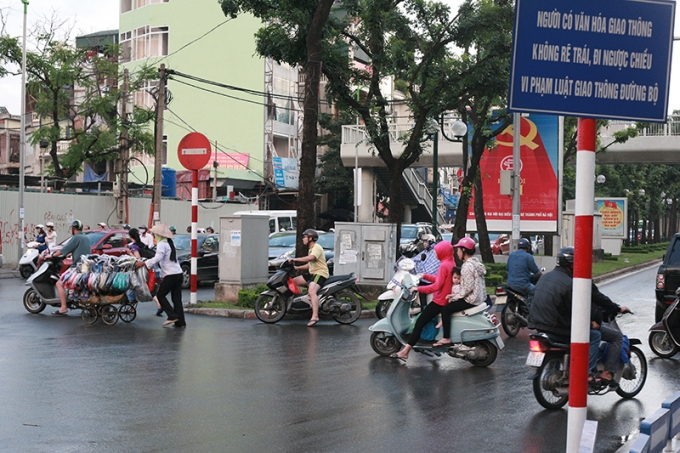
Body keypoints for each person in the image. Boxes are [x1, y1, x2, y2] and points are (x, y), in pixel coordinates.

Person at [528, 246, 631, 387]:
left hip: (539, 325)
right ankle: (592, 374)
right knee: (599, 335)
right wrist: (590, 323)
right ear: (572, 264)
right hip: (559, 326)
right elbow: (576, 310)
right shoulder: (573, 283)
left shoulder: (545, 277)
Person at [391, 240, 455, 361]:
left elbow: (436, 286)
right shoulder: (450, 262)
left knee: (419, 322)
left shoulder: (443, 265)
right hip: (445, 299)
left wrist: (418, 288)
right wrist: (424, 275)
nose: (435, 255)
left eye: (437, 252)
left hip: (440, 301)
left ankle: (405, 351)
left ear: (443, 252)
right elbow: (439, 280)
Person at [432, 237, 486, 347]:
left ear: (464, 250)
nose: (457, 252)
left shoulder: (466, 266)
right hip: (478, 298)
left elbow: (467, 288)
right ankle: (444, 321)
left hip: (471, 299)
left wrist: (455, 297)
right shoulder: (476, 263)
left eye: (458, 250)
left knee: (445, 309)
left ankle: (446, 337)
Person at [135, 224, 185, 328]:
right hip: (178, 273)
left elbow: (158, 257)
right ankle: (180, 323)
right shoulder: (170, 243)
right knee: (177, 299)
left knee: (160, 295)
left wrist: (144, 263)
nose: (153, 236)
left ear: (159, 235)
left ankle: (171, 316)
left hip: (170, 274)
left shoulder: (162, 244)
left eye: (154, 234)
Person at [47, 220, 91, 315]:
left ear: (73, 228)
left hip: (78, 266)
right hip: (86, 266)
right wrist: (71, 253)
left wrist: (52, 255)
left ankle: (63, 307)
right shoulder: (85, 237)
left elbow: (63, 250)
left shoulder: (75, 238)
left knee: (59, 283)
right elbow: (80, 250)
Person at [288, 229, 329, 327]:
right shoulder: (311, 249)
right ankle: (305, 301)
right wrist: (297, 267)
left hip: (320, 274)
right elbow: (310, 265)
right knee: (294, 281)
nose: (303, 239)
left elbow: (311, 258)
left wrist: (295, 259)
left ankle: (315, 316)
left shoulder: (316, 248)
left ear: (310, 238)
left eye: (305, 237)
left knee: (312, 291)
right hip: (312, 273)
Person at [127, 228, 163, 317]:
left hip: (141, 270)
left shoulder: (134, 246)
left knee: (135, 286)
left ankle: (159, 305)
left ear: (130, 236)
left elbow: (138, 258)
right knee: (147, 287)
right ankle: (132, 308)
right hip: (149, 269)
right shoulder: (142, 244)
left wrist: (130, 254)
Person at [414, 233, 440, 307]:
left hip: (430, 281)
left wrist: (419, 269)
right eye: (424, 242)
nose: (424, 244)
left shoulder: (435, 252)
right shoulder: (425, 252)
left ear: (431, 242)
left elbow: (431, 269)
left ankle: (424, 308)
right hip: (423, 278)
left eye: (426, 241)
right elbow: (416, 259)